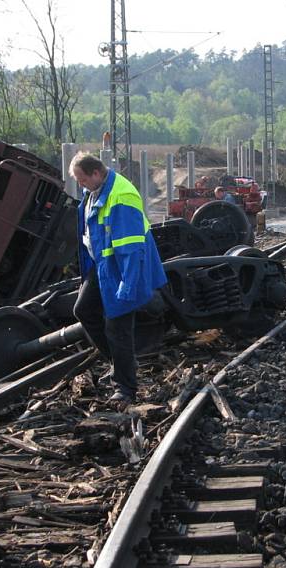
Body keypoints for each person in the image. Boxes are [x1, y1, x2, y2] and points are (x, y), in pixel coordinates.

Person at [70, 152, 168, 403]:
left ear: (95, 173)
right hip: (104, 265)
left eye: (82, 180)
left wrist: (128, 282)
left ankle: (125, 388)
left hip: (123, 267)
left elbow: (131, 247)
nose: (80, 185)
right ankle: (119, 362)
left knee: (118, 328)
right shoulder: (93, 192)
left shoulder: (121, 196)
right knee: (84, 310)